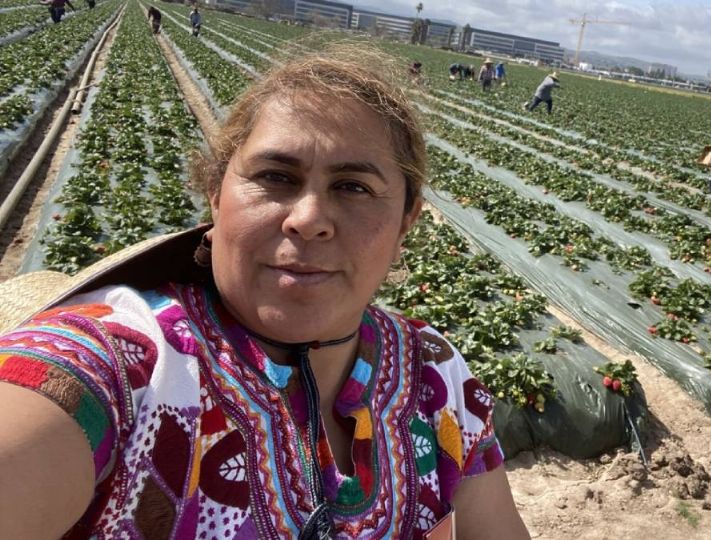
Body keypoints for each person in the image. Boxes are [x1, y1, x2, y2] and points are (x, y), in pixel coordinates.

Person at [0, 48, 530, 539]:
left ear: (405, 224)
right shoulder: (124, 367)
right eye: (276, 176)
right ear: (215, 195)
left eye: (353, 187)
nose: (308, 220)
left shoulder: (435, 376)